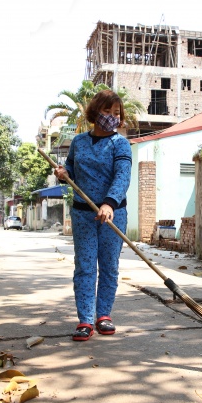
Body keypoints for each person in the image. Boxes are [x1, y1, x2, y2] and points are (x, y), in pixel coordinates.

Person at [54, 90, 132, 341]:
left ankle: (104, 315)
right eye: (107, 111)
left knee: (109, 266)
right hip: (83, 214)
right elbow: (72, 171)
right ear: (95, 112)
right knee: (85, 267)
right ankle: (86, 319)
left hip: (113, 214)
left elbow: (122, 176)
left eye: (116, 113)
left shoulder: (120, 143)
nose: (112, 117)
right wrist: (63, 173)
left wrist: (109, 204)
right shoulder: (79, 142)